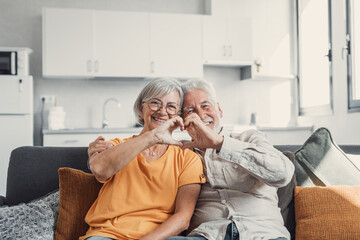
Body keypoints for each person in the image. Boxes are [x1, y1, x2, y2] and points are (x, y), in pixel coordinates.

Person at [166, 79, 295, 240]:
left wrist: (220, 143)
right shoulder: (182, 153)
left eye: (205, 106)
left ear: (219, 110)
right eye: (190, 111)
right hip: (208, 234)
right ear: (182, 121)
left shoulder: (250, 138)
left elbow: (282, 174)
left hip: (263, 233)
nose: (200, 115)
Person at [81, 78, 206, 240]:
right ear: (141, 108)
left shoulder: (187, 158)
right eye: (155, 103)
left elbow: (183, 219)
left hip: (159, 237)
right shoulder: (118, 146)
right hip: (108, 234)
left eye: (171, 106)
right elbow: (99, 170)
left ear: (178, 115)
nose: (162, 111)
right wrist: (152, 137)